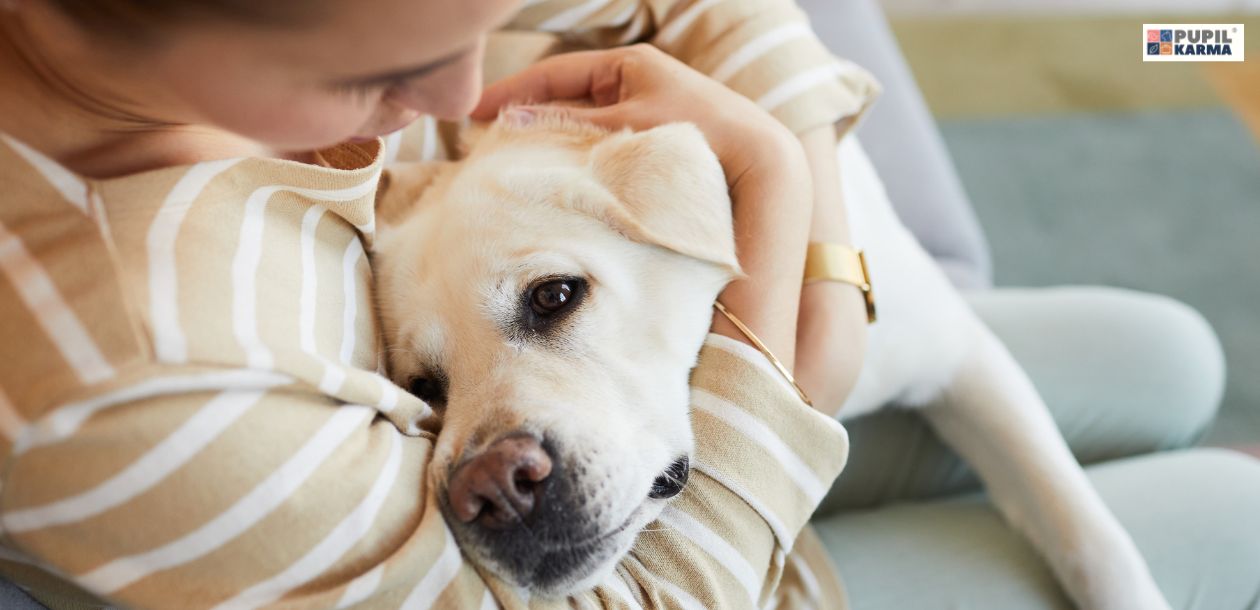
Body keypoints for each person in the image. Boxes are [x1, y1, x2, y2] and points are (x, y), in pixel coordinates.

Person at [0, 0, 876, 608]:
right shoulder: (133, 381)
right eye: (379, 66)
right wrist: (787, 249)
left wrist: (814, 237)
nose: (465, 99)